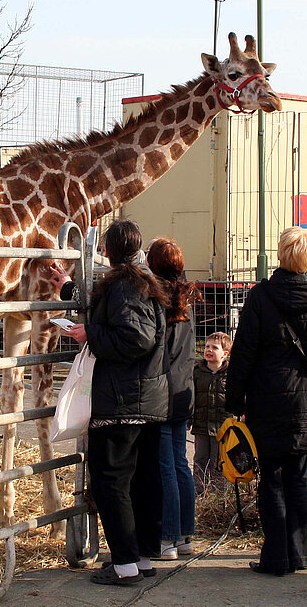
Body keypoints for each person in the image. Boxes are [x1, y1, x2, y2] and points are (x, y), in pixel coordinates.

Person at [50, 220, 171, 586]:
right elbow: (123, 318)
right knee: (143, 481)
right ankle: (143, 559)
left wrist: (91, 333)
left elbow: (135, 337)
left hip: (122, 403)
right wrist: (69, 287)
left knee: (111, 482)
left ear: (108, 251)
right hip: (147, 399)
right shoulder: (145, 284)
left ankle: (125, 565)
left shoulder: (123, 286)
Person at [225, 226, 307, 576]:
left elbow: (243, 353)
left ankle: (276, 557)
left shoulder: (260, 297)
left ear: (279, 254)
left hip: (266, 400)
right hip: (305, 400)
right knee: (301, 477)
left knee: (271, 478)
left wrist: (233, 402)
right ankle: (299, 552)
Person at [146, 238, 200, 560]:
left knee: (165, 465)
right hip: (184, 390)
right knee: (180, 463)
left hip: (163, 392)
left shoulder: (158, 300)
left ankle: (166, 538)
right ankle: (184, 535)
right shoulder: (186, 299)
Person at [191, 331, 233, 494]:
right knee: (200, 460)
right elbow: (191, 397)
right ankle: (198, 492)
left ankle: (219, 495)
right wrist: (189, 418)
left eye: (214, 347)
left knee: (220, 461)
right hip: (201, 425)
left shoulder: (230, 374)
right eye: (207, 346)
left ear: (225, 354)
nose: (208, 350)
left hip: (223, 428)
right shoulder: (197, 372)